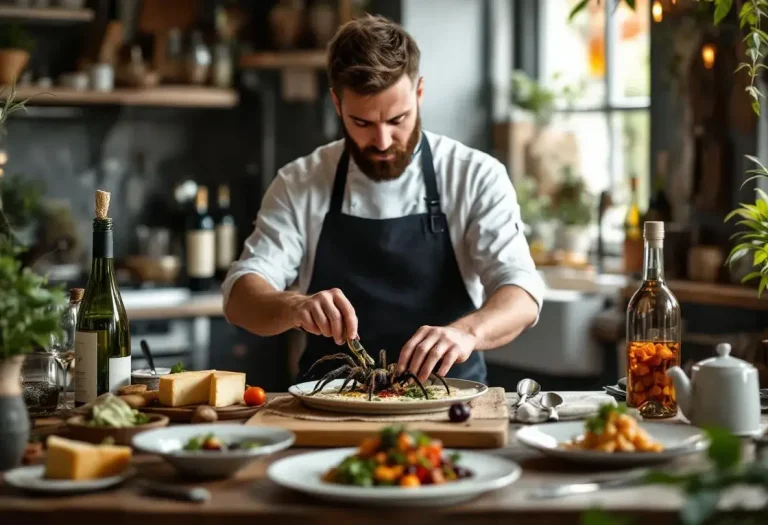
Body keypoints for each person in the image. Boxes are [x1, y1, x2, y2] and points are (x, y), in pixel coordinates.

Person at [222, 15, 545, 386]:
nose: (382, 140)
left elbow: (520, 292)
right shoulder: (300, 181)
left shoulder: (474, 175)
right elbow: (242, 296)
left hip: (450, 402)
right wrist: (296, 306)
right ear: (336, 103)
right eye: (362, 123)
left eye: (398, 119)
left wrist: (467, 333)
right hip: (331, 408)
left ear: (419, 92)